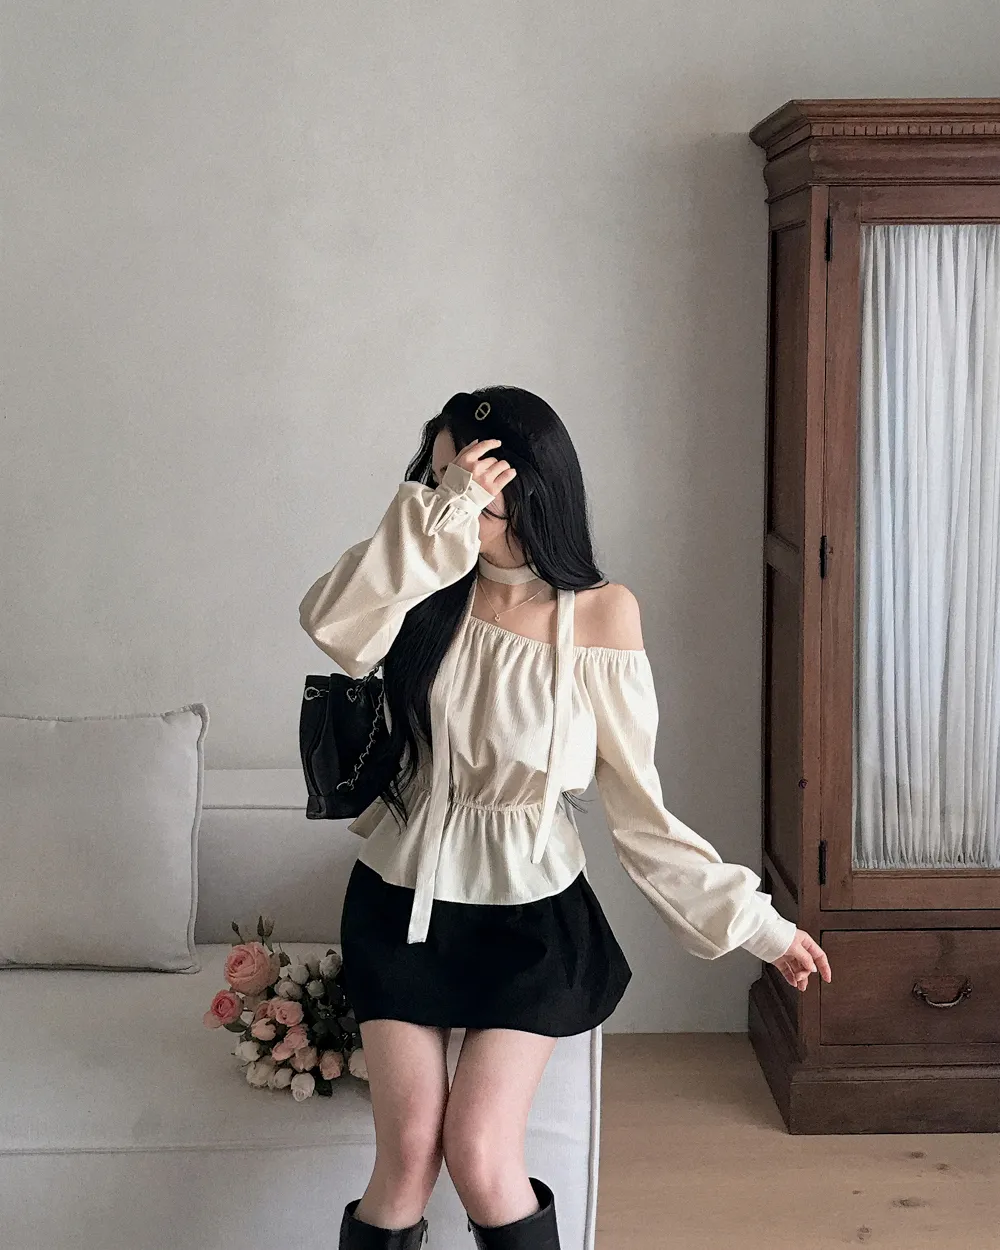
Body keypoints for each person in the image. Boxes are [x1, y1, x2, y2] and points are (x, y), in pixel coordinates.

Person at [298, 386, 832, 1250]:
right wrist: (437, 523)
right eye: (442, 477)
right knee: (406, 1157)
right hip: (401, 901)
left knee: (480, 1152)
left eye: (475, 475)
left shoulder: (602, 614)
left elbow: (639, 810)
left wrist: (758, 926)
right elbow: (332, 626)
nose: (457, 493)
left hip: (532, 917)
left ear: (530, 479)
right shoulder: (423, 585)